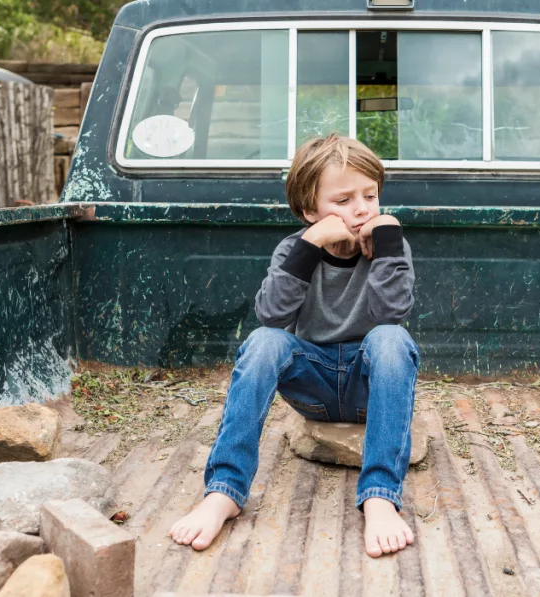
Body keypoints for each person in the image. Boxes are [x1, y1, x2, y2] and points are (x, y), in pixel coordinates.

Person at [168, 134, 419, 558]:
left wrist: (388, 246)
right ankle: (224, 492)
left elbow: (392, 310)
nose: (361, 209)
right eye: (342, 200)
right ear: (310, 211)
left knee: (392, 339)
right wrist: (310, 245)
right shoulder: (294, 248)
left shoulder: (389, 247)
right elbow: (272, 315)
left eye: (370, 195)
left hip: (366, 387)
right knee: (263, 341)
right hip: (314, 386)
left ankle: (379, 496)